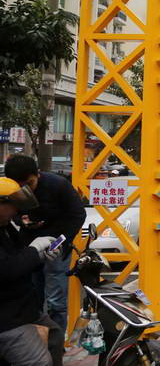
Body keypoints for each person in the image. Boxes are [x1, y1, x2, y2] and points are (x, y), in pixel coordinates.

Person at [4, 155, 86, 332]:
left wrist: (58, 243)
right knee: (32, 295)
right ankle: (37, 337)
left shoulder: (59, 185)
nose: (26, 190)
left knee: (56, 301)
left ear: (38, 174)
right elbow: (11, 213)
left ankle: (57, 341)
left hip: (56, 248)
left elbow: (78, 215)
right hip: (29, 248)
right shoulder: (9, 191)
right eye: (20, 187)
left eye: (30, 184)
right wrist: (22, 221)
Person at [0, 177, 64, 366]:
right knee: (39, 362)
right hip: (7, 318)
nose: (16, 211)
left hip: (22, 308)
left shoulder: (7, 227)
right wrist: (33, 251)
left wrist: (40, 257)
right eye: (13, 206)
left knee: (55, 335)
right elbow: (7, 269)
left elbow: (19, 260)